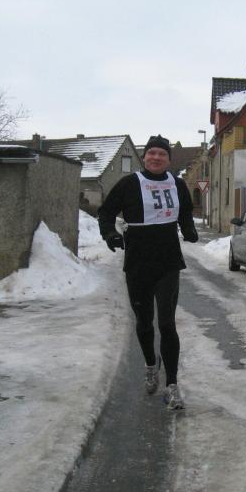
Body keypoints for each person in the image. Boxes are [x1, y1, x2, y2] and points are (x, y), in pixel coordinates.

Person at [98, 134, 198, 410]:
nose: (156, 157)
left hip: (168, 261)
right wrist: (110, 234)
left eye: (161, 154)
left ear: (168, 159)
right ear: (144, 157)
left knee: (167, 324)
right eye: (152, 153)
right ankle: (151, 365)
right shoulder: (129, 183)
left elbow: (185, 212)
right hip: (138, 263)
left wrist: (189, 229)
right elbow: (106, 212)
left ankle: (172, 385)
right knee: (144, 323)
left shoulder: (177, 184)